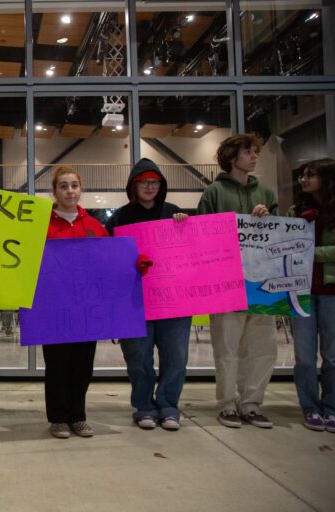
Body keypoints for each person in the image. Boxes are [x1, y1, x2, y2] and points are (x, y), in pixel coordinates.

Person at [197, 134, 278, 429]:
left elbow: (280, 236)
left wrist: (267, 218)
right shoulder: (214, 193)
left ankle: (252, 403)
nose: (254, 156)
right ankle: (228, 403)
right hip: (226, 282)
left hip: (263, 283)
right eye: (248, 152)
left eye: (255, 152)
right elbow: (202, 238)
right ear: (233, 157)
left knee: (262, 346)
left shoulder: (267, 194)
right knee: (227, 346)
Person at [106, 158, 191, 431]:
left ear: (161, 185)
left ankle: (168, 406)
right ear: (133, 185)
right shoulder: (119, 218)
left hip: (173, 301)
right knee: (138, 357)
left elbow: (191, 253)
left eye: (154, 182)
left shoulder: (175, 214)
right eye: (143, 182)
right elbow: (108, 259)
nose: (149, 186)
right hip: (134, 302)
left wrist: (185, 226)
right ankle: (143, 406)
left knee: (176, 355)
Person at [41, 165, 109, 438]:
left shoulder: (94, 227)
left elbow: (108, 264)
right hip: (53, 308)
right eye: (64, 186)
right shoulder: (40, 225)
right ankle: (58, 418)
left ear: (81, 190)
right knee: (57, 364)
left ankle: (77, 416)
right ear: (55, 191)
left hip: (85, 309)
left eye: (74, 185)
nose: (70, 191)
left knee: (83, 364)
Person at [288, 158, 335, 433]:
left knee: (331, 356)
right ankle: (309, 407)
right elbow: (283, 243)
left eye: (311, 175)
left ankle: (330, 407)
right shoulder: (296, 210)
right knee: (304, 356)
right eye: (303, 175)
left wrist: (309, 253)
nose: (304, 179)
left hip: (331, 291)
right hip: (301, 290)